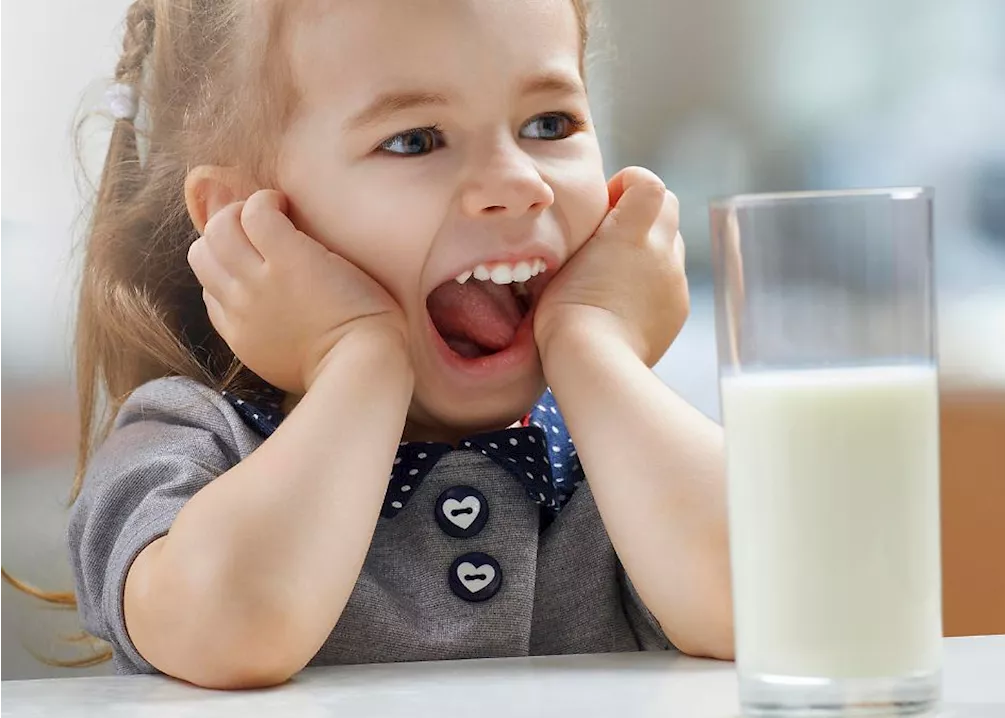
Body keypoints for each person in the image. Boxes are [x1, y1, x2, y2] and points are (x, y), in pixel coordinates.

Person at [46, 0, 732, 689]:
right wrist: (360, 357)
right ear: (249, 223)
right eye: (415, 140)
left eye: (548, 124)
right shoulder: (189, 447)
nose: (520, 185)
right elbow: (233, 629)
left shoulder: (620, 453)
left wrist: (592, 346)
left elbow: (781, 602)